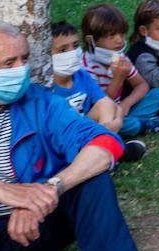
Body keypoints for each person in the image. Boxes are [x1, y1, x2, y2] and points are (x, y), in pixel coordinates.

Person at [0, 20, 139, 251]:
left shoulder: (39, 102)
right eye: (8, 63)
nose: (21, 70)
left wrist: (47, 191)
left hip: (25, 235)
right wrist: (0, 189)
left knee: (91, 176)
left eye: (24, 59)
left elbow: (104, 142)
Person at [49, 22, 146, 165]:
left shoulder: (82, 76)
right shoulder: (47, 87)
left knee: (107, 107)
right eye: (63, 50)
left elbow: (106, 103)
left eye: (75, 46)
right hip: (65, 139)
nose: (72, 52)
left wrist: (117, 117)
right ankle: (109, 152)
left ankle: (107, 150)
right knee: (125, 120)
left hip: (89, 130)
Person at [80, 4, 159, 137]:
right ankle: (147, 125)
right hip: (100, 117)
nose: (119, 40)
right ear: (91, 40)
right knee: (113, 125)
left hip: (120, 109)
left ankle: (135, 122)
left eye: (122, 34)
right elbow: (98, 106)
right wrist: (117, 79)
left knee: (158, 94)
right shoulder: (85, 68)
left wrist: (127, 103)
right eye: (111, 35)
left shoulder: (120, 56)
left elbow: (141, 84)